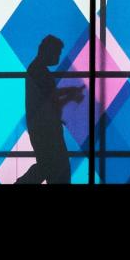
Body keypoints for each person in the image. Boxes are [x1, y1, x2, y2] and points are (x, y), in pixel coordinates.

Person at [16, 35, 84, 184]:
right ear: (48, 51)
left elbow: (50, 98)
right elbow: (51, 101)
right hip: (46, 130)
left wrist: (70, 92)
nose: (58, 57)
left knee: (48, 166)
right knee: (56, 168)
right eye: (57, 53)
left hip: (43, 129)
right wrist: (71, 95)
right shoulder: (39, 71)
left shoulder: (36, 69)